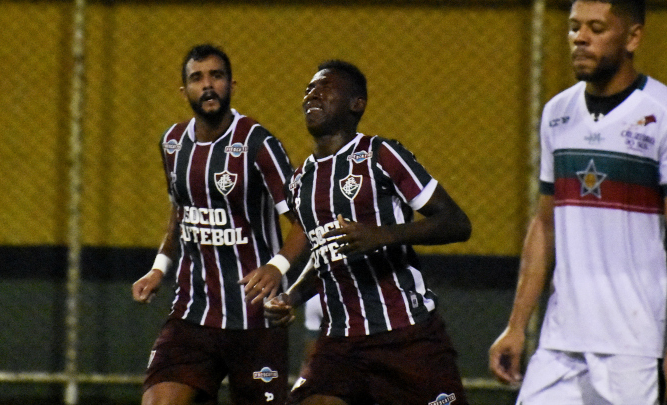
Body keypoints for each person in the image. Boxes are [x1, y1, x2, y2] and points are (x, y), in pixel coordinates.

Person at [488, 1, 667, 404]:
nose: (580, 39)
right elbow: (544, 224)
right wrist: (516, 325)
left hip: (633, 344)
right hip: (561, 340)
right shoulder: (557, 112)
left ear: (633, 37)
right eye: (573, 27)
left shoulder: (661, 112)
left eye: (596, 28)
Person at [265, 60, 472, 405]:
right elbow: (324, 254)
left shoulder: (382, 155)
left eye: (325, 87)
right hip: (340, 342)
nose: (312, 94)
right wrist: (292, 297)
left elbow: (456, 223)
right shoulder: (299, 182)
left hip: (406, 336)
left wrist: (382, 235)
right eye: (309, 89)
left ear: (356, 104)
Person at [131, 43, 308, 405]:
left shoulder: (259, 143)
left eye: (216, 76)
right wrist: (158, 268)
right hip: (192, 314)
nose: (208, 85)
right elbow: (180, 212)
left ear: (232, 85)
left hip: (256, 317)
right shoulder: (172, 143)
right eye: (197, 78)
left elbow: (304, 222)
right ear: (184, 91)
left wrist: (277, 267)